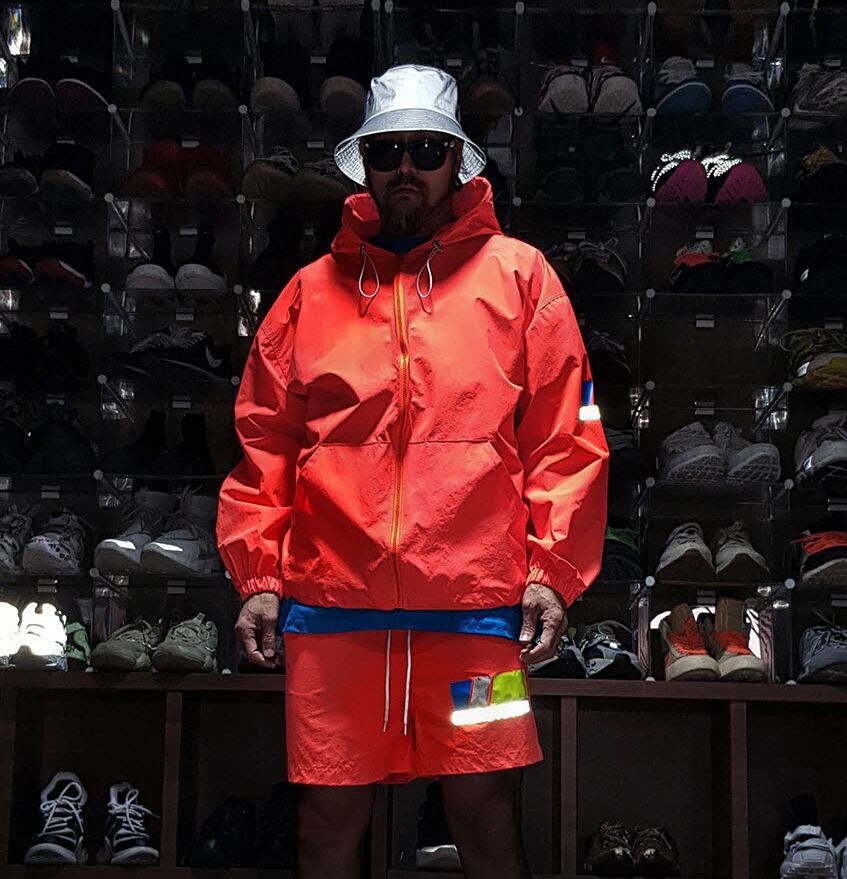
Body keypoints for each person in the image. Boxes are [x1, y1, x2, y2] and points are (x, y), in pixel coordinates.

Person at [217, 64, 609, 879]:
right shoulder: (306, 294)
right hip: (332, 612)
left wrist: (553, 570)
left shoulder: (520, 277)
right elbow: (264, 442)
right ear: (364, 162)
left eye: (426, 150)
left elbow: (567, 435)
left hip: (476, 617)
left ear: (457, 161)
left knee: (486, 806)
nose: (406, 167)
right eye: (387, 150)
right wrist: (258, 574)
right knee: (326, 816)